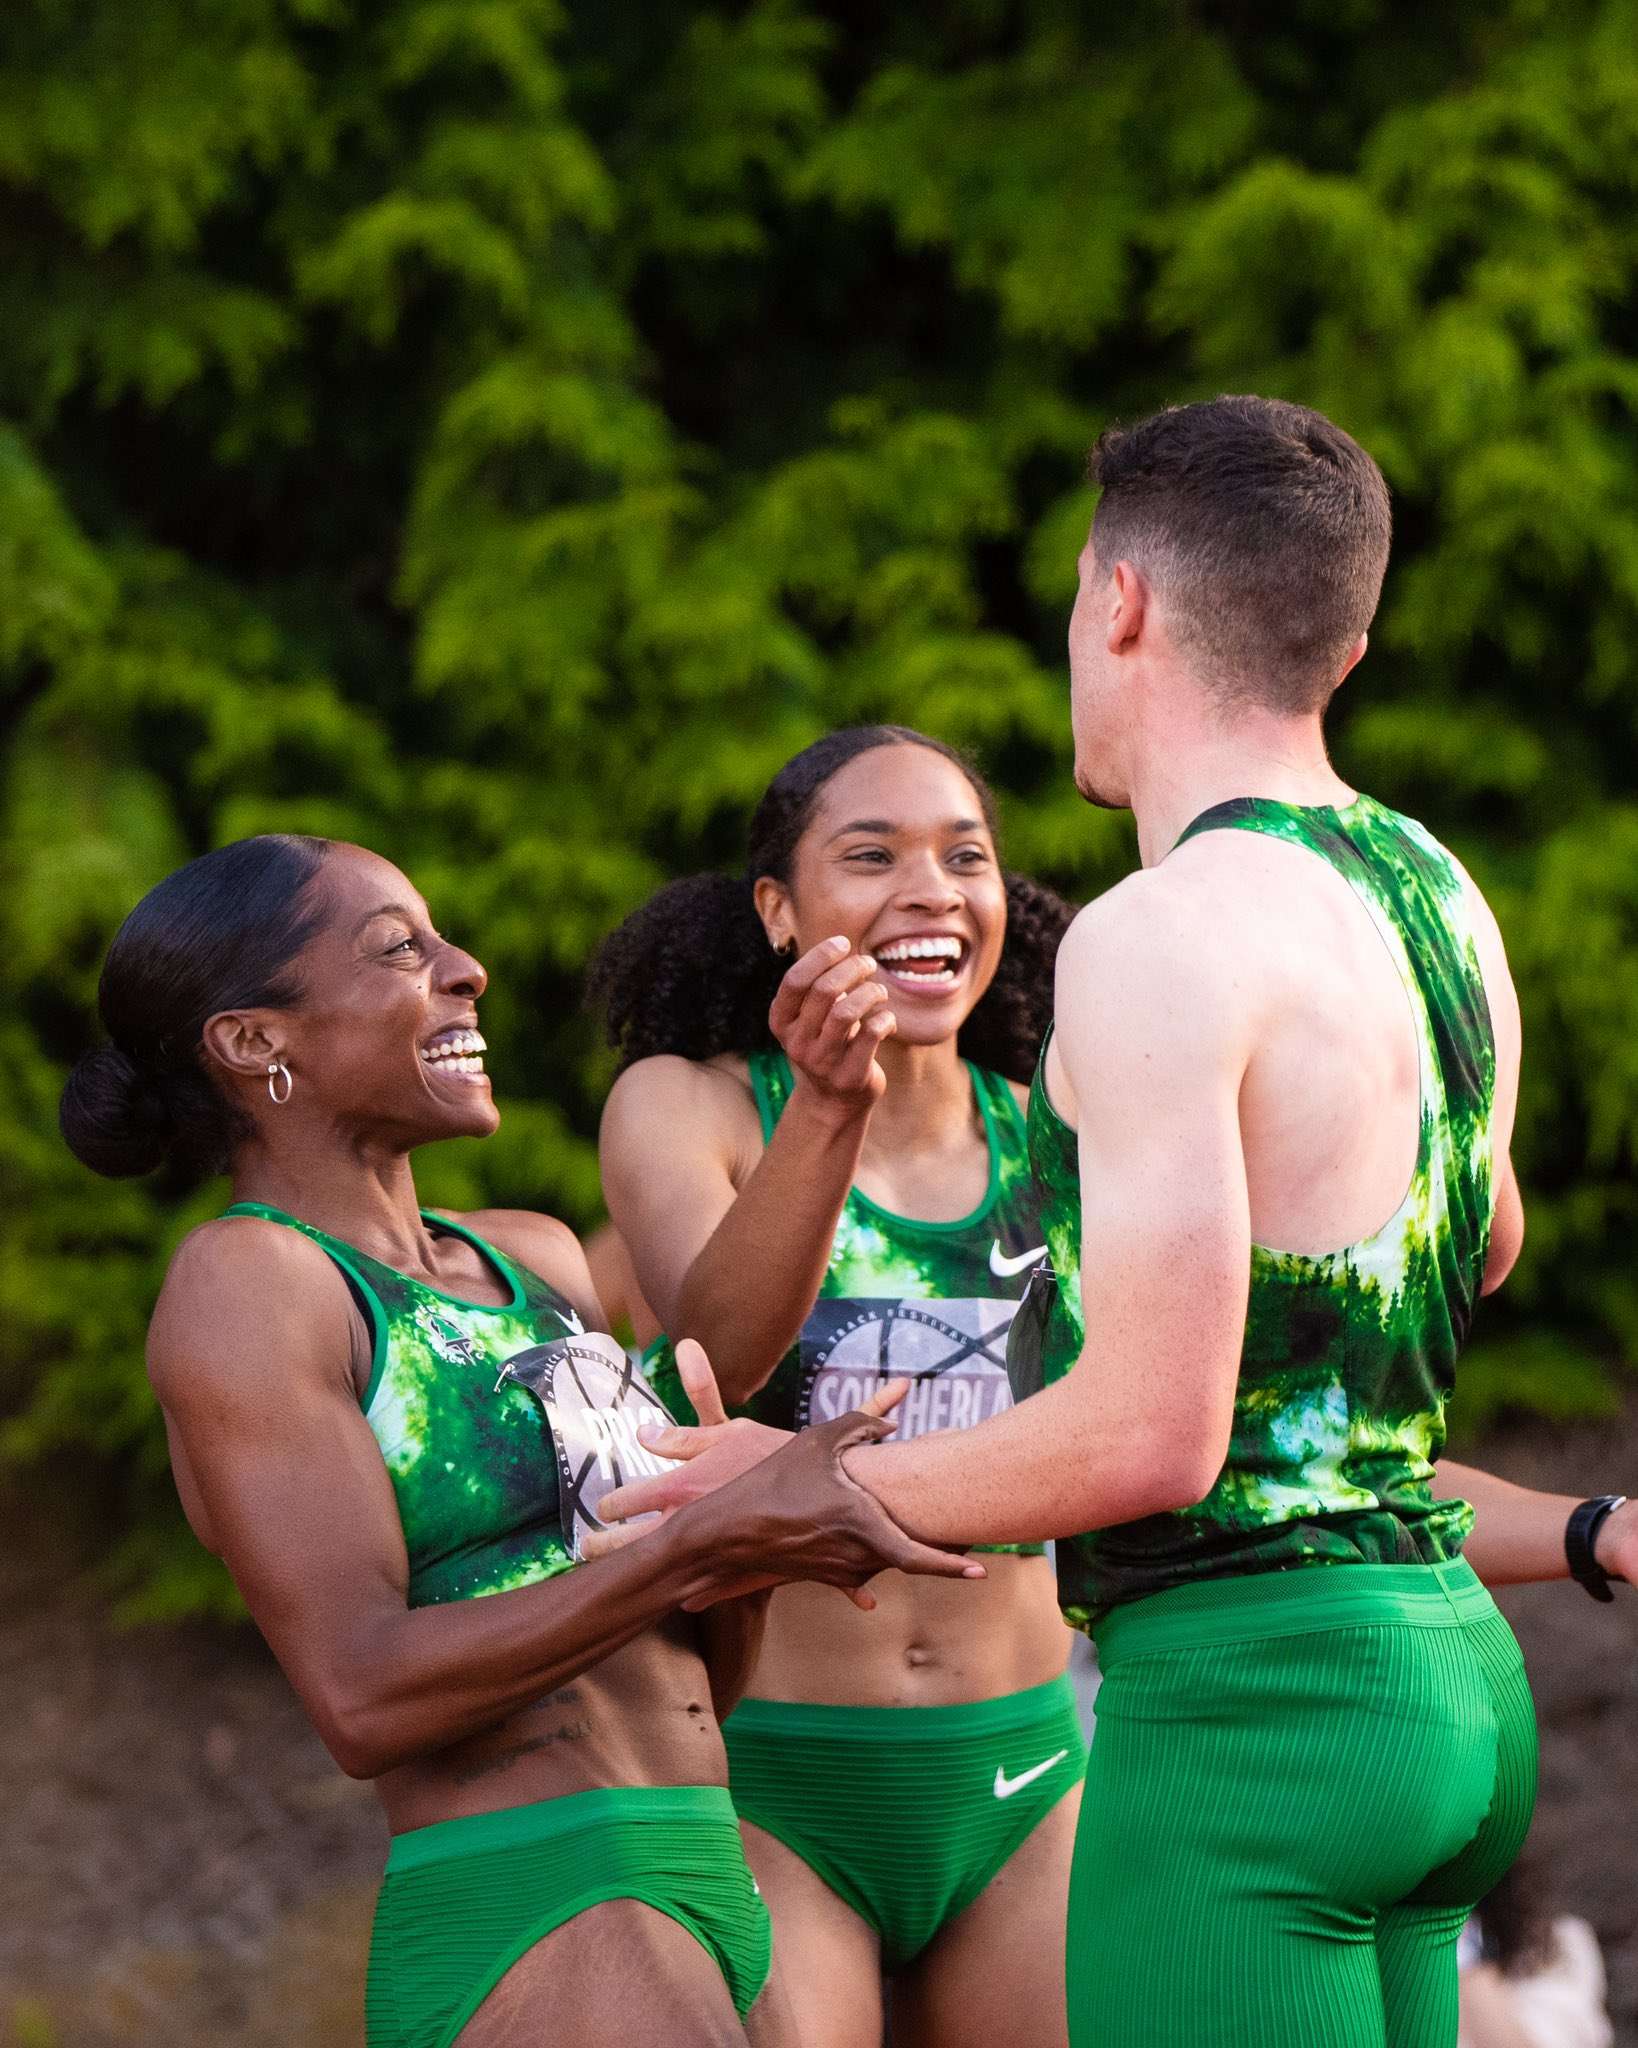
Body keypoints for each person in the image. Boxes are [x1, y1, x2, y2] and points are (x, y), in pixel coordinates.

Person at [596, 396, 1637, 2048]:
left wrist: (801, 1484)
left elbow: (1155, 1433)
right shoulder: (1430, 885)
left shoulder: (1156, 935)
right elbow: (1483, 1231)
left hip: (1256, 1712)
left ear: (1118, 604)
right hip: (1442, 1679)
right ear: (1344, 636)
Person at [58, 833, 975, 2048]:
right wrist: (703, 1539)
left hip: (705, 1863)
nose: (467, 968)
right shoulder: (253, 1283)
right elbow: (361, 1693)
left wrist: (748, 1555)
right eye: (400, 948)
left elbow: (689, 1662)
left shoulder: (533, 1257)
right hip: (538, 1893)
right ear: (253, 1042)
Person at [592, 727, 1084, 2048]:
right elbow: (720, 1355)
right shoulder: (687, 1107)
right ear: (777, 910)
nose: (930, 889)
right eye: (871, 857)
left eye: (963, 857)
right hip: (776, 1786)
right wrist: (825, 1104)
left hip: (1029, 1776)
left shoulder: (1063, 1135)